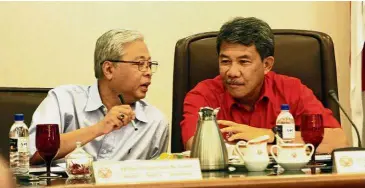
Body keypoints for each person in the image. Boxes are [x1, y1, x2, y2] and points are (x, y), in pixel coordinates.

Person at [180, 17, 348, 153]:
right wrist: (279, 147)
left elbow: (338, 140)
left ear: (267, 65)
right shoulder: (204, 94)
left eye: (244, 62)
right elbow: (196, 147)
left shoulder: (291, 90)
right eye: (225, 61)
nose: (232, 72)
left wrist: (270, 135)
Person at [29, 29, 169, 164]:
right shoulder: (63, 100)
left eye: (149, 64)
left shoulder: (155, 122)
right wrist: (99, 128)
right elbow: (32, 154)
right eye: (140, 64)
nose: (148, 72)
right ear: (109, 69)